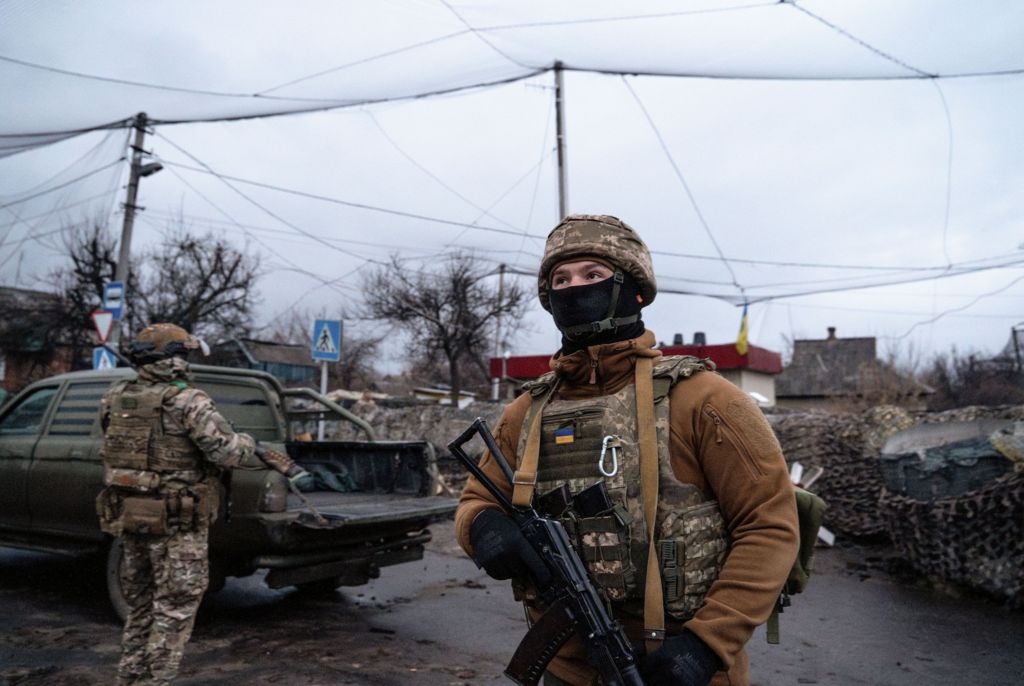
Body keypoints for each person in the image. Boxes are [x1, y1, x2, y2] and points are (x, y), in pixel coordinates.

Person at [456, 215, 799, 686]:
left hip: (683, 668)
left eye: (592, 274)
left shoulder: (705, 400)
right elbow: (476, 499)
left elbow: (770, 525)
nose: (574, 288)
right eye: (561, 280)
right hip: (567, 668)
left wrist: (707, 644)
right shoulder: (527, 412)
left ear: (632, 289)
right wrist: (483, 527)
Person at [96, 323, 311, 686]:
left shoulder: (115, 396)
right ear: (175, 358)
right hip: (177, 525)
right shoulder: (189, 401)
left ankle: (130, 677)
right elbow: (226, 453)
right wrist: (248, 442)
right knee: (174, 610)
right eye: (185, 354)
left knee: (140, 607)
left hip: (132, 517)